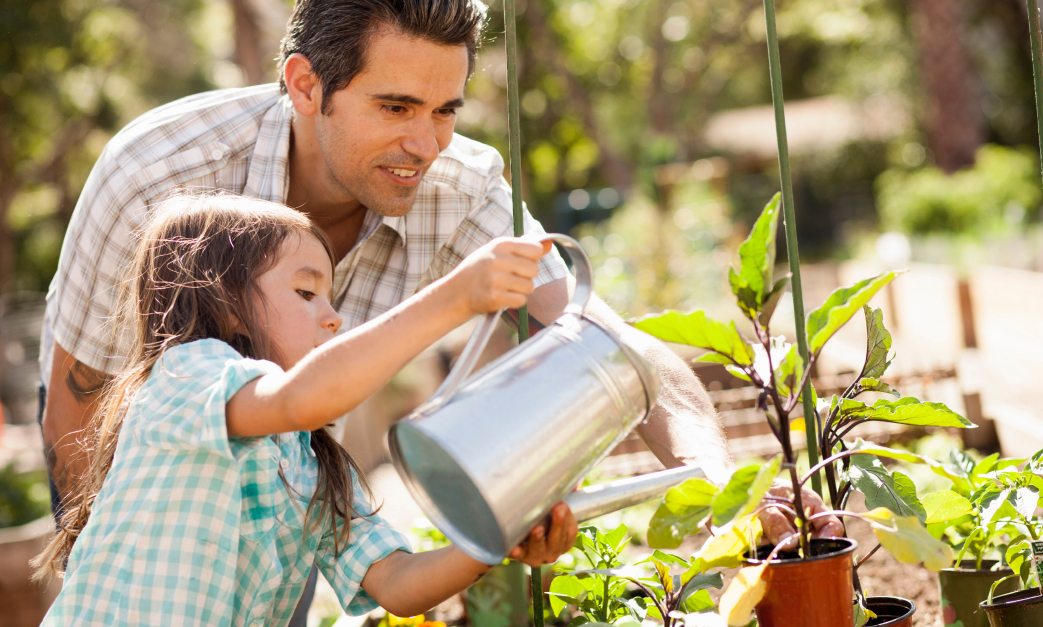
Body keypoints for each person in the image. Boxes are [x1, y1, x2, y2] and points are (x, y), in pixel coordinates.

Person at [38, 0, 837, 575]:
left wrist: (728, 490)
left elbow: (610, 344)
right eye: (393, 107)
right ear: (305, 84)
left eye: (445, 110)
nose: (422, 144)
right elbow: (77, 405)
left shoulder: (458, 186)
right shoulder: (160, 176)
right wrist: (103, 579)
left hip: (278, 535)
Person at [33, 195, 578, 625]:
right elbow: (301, 397)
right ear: (225, 304)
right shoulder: (185, 376)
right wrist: (456, 297)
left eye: (331, 296)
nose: (333, 317)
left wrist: (494, 538)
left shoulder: (310, 462)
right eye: (306, 293)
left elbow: (397, 583)